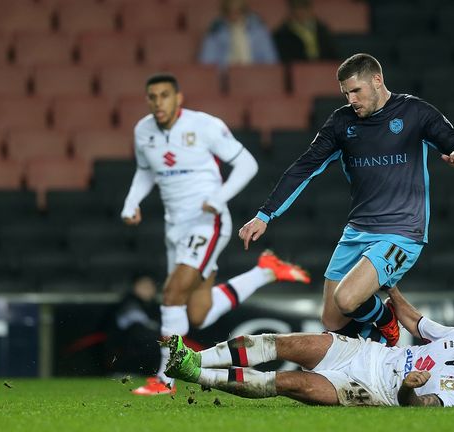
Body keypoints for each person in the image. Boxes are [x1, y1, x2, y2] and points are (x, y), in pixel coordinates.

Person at [238, 53, 454, 346]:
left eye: (356, 91)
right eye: (345, 93)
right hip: (357, 230)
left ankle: (387, 321)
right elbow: (305, 167)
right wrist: (265, 215)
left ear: (377, 81)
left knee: (348, 298)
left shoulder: (414, 112)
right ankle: (377, 339)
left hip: (401, 232)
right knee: (332, 320)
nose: (351, 99)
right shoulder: (341, 122)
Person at [120, 73, 311, 395]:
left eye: (164, 95)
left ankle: (165, 380)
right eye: (152, 97)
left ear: (178, 98)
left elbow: (247, 164)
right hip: (175, 226)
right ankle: (264, 272)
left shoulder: (204, 126)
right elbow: (144, 170)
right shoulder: (144, 131)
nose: (158, 102)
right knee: (198, 313)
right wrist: (131, 202)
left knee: (171, 294)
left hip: (207, 223)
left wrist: (218, 198)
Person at [164, 285, 454, 407]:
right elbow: (416, 322)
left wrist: (408, 390)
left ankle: (194, 374)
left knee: (289, 384)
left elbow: (423, 408)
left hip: (374, 389)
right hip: (367, 353)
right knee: (283, 344)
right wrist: (394, 293)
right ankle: (193, 357)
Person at [198, 0, 279, 67]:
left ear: (245, 12)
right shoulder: (215, 33)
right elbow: (206, 65)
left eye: (238, 11)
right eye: (230, 12)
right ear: (224, 13)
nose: (234, 16)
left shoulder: (260, 33)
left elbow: (271, 63)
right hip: (224, 79)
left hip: (256, 79)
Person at [273, 0, 338, 63]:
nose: (301, 12)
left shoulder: (322, 30)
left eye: (304, 7)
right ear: (292, 10)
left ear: (310, 9)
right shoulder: (282, 34)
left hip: (325, 69)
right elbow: (286, 59)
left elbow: (333, 55)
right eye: (298, 8)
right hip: (298, 70)